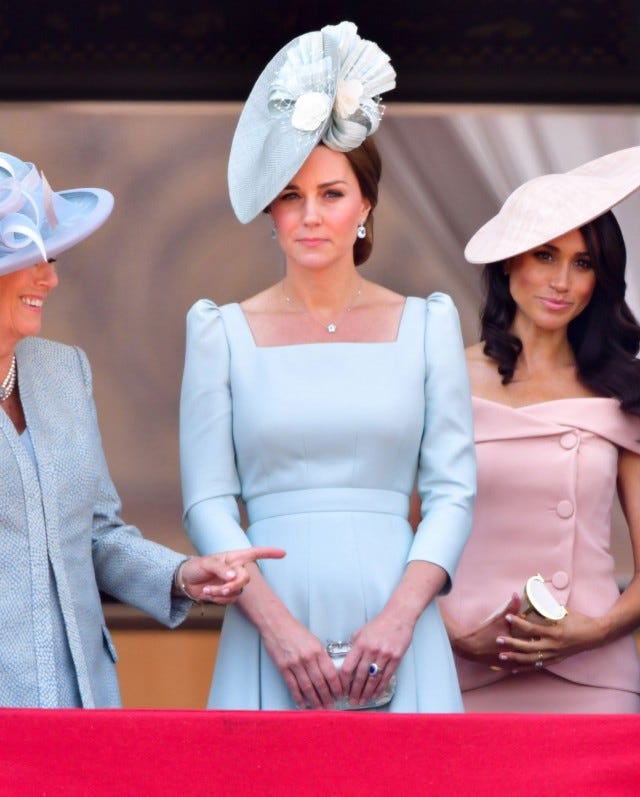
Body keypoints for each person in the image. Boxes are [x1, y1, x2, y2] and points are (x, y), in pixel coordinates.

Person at [180, 20, 476, 712]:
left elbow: (453, 492)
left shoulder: (428, 325)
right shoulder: (220, 332)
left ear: (365, 203)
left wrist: (401, 617)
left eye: (331, 193)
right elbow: (207, 503)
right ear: (271, 211)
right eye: (290, 195)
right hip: (268, 622)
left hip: (401, 620)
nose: (310, 215)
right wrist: (277, 627)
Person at [0, 151, 285, 708]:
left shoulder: (64, 372)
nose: (50, 278)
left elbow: (97, 535)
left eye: (52, 258)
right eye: (30, 258)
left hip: (81, 703)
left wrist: (181, 574)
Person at [439, 146, 640, 713]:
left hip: (594, 679)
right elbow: (400, 544)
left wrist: (596, 631)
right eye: (545, 255)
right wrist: (457, 639)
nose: (562, 282)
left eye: (583, 263)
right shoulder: (443, 379)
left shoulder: (622, 390)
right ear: (508, 261)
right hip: (461, 671)